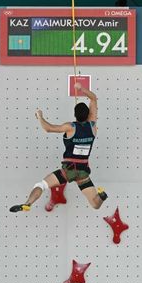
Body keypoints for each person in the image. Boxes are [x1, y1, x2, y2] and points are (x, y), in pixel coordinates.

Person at [10, 84, 107, 213]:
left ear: (74, 114)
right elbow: (94, 99)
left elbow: (48, 128)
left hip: (68, 170)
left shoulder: (70, 127)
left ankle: (28, 203)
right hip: (83, 172)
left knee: (42, 185)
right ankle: (101, 197)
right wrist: (81, 89)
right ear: (88, 114)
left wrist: (40, 116)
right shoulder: (93, 127)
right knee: (95, 205)